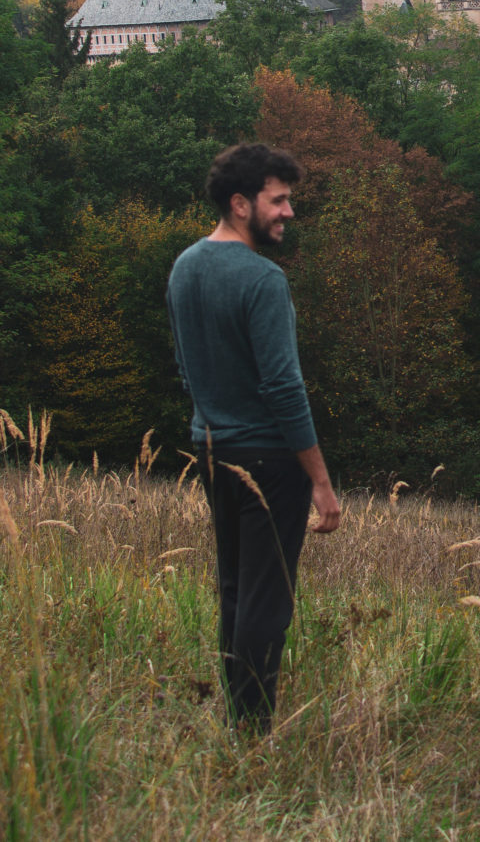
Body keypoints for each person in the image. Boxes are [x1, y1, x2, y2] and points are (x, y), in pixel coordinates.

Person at [166, 142, 344, 731]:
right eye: (279, 200)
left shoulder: (185, 266)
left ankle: (240, 720)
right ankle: (251, 730)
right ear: (240, 204)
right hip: (269, 459)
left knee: (236, 590)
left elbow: (186, 365)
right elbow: (284, 388)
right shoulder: (263, 280)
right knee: (267, 599)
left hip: (213, 449)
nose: (289, 211)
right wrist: (319, 480)